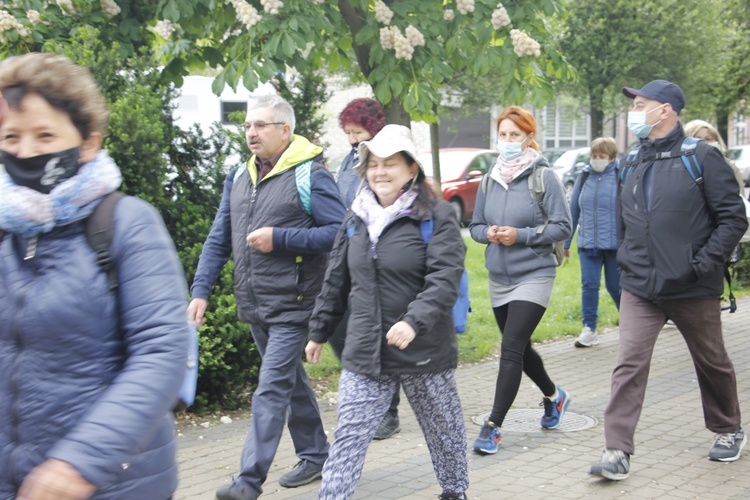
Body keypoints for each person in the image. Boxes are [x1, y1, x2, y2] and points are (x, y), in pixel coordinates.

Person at [0, 53, 189, 499]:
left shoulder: (126, 222)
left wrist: (77, 464)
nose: (25, 152)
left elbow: (162, 351)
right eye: (11, 136)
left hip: (111, 483)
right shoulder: (6, 230)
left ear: (87, 143)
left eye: (45, 135)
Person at [187, 93, 346, 500]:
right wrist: (201, 289)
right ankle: (315, 454)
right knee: (289, 383)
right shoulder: (239, 177)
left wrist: (280, 238)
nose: (251, 133)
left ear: (285, 130)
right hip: (256, 303)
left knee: (271, 388)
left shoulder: (310, 174)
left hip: (296, 303)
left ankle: (248, 482)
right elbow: (219, 237)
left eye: (260, 125)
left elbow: (340, 232)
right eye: (247, 126)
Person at [590, 80, 747, 481]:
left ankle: (728, 429)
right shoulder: (630, 162)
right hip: (641, 286)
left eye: (641, 104)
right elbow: (625, 221)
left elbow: (733, 218)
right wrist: (626, 260)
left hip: (693, 285)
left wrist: (705, 263)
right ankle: (617, 450)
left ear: (666, 110)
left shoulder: (703, 158)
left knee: (711, 361)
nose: (635, 111)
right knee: (628, 363)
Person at [306, 124, 469, 500]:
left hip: (423, 350)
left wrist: (413, 322)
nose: (380, 171)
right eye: (373, 164)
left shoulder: (436, 216)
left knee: (444, 432)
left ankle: (454, 491)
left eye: (390, 163)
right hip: (365, 349)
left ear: (411, 169)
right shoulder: (355, 218)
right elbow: (336, 282)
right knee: (349, 435)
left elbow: (444, 279)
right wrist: (318, 331)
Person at [469, 105, 573, 455]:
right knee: (521, 349)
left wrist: (522, 235)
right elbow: (474, 226)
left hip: (535, 273)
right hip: (499, 276)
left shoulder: (545, 177)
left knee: (511, 348)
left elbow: (562, 226)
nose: (508, 141)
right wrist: (490, 233)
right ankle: (555, 397)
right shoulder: (489, 178)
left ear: (529, 137)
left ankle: (493, 426)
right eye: (503, 135)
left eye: (516, 135)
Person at [329, 97, 401, 441]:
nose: (352, 139)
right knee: (341, 330)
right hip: (347, 252)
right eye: (348, 133)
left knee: (380, 334)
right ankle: (365, 393)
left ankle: (389, 411)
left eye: (357, 132)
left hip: (378, 255)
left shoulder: (384, 160)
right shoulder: (347, 161)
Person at [564, 137, 621, 348]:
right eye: (594, 156)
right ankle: (589, 329)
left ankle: (633, 323)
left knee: (616, 287)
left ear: (612, 157)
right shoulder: (585, 175)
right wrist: (566, 242)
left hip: (615, 245)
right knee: (589, 286)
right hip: (588, 242)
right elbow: (574, 210)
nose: (597, 160)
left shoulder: (619, 176)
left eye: (602, 156)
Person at [684, 119, 745, 193]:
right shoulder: (681, 168)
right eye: (698, 139)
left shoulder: (730, 167)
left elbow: (739, 197)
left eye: (708, 139)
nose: (704, 143)